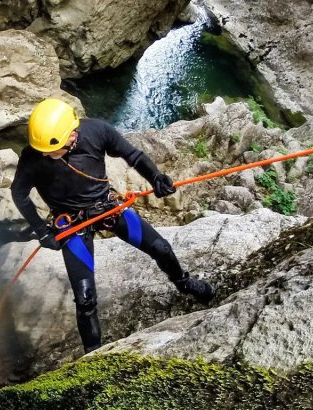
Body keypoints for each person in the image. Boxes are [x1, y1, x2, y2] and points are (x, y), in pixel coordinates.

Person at [11, 98, 215, 353]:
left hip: (106, 207)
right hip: (71, 223)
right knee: (85, 300)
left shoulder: (96, 131)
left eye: (52, 149)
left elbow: (133, 155)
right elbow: (18, 194)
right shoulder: (33, 157)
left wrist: (156, 178)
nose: (45, 155)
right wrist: (42, 231)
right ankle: (93, 357)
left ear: (72, 135)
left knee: (161, 248)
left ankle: (184, 283)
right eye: (42, 150)